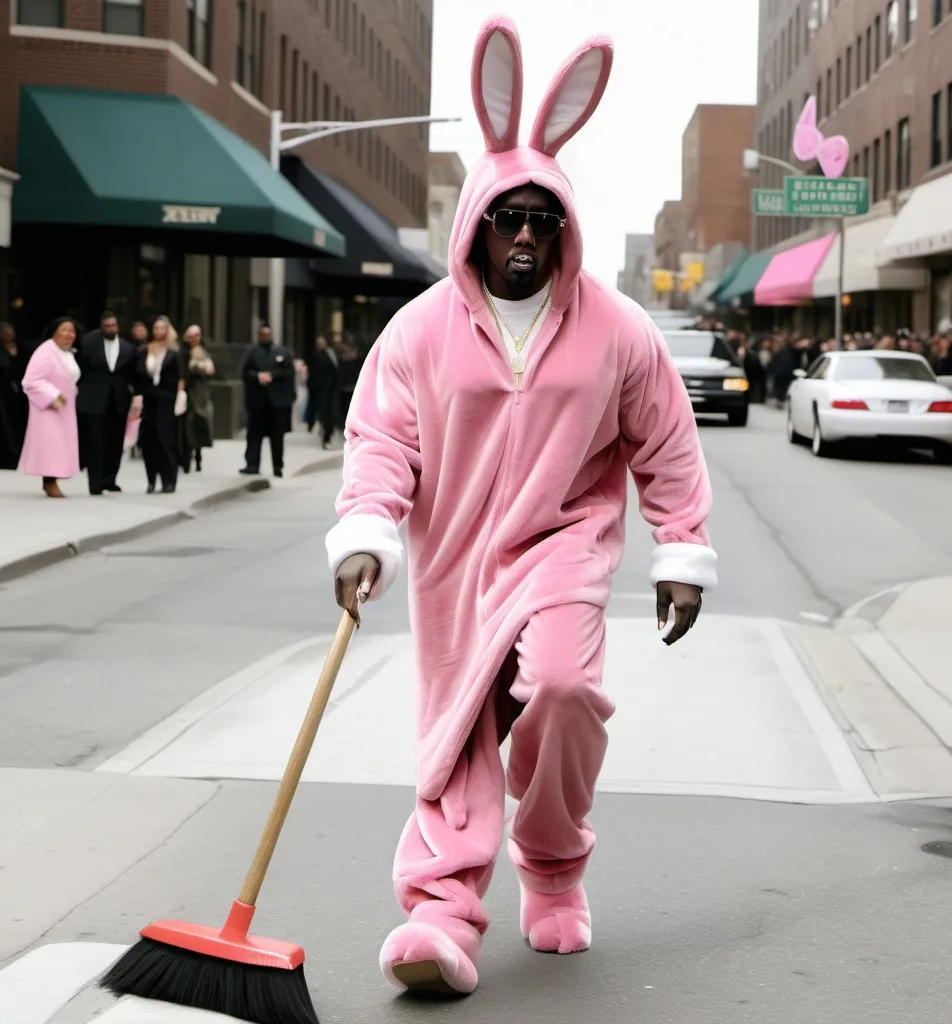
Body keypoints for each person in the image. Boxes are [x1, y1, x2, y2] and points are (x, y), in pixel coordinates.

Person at [326, 19, 715, 997]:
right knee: (457, 732)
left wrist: (681, 548)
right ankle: (442, 911)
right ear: (479, 225)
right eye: (512, 219)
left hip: (563, 551)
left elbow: (665, 440)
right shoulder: (417, 331)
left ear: (566, 227)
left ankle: (552, 865)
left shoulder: (618, 330)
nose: (528, 236)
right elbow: (381, 437)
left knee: (560, 690)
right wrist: (368, 527)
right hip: (455, 561)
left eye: (546, 219)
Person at [18, 317, 82, 498]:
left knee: (60, 444)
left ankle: (53, 479)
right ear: (54, 331)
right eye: (64, 330)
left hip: (64, 409)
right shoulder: (46, 351)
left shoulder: (66, 353)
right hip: (48, 408)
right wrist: (53, 395)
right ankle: (49, 481)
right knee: (50, 444)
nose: (69, 334)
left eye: (72, 331)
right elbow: (31, 380)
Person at [75, 311, 138, 495]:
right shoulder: (88, 343)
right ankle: (95, 483)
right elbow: (80, 369)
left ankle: (110, 479)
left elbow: (132, 375)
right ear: (101, 327)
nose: (111, 329)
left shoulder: (128, 348)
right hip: (93, 400)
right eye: (107, 326)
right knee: (95, 443)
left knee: (115, 441)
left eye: (113, 325)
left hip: (118, 401)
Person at [240, 324, 295, 478]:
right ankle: (252, 465)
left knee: (277, 436)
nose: (265, 336)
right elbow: (245, 372)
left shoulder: (282, 352)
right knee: (254, 435)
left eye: (268, 334)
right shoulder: (251, 352)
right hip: (257, 401)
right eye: (262, 334)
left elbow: (288, 372)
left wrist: (271, 375)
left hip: (277, 402)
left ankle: (278, 465)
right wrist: (257, 376)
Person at [137, 316, 182, 493]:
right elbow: (140, 374)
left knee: (166, 439)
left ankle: (168, 479)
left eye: (161, 328)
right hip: (150, 400)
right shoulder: (145, 350)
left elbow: (179, 377)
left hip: (166, 400)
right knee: (149, 440)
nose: (157, 331)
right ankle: (151, 479)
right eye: (155, 328)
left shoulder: (174, 353)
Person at [179, 324, 215, 473]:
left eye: (196, 336)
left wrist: (199, 368)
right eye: (190, 336)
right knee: (186, 425)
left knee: (199, 422)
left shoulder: (203, 352)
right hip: (186, 391)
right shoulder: (183, 352)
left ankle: (198, 456)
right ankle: (186, 457)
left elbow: (210, 370)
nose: (193, 339)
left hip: (199, 393)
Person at [0, 321, 28, 469]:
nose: (10, 338)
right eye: (6, 335)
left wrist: (14, 355)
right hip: (3, 395)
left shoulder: (19, 348)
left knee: (15, 425)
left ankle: (15, 457)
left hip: (15, 395)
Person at [308, 335, 339, 448]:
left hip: (331, 389)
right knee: (325, 415)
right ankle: (325, 438)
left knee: (331, 415)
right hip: (321, 390)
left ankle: (327, 437)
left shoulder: (330, 354)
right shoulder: (316, 356)